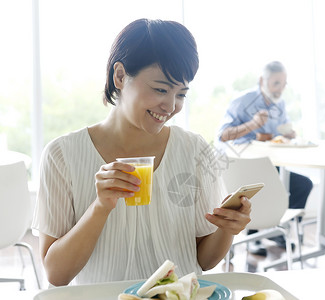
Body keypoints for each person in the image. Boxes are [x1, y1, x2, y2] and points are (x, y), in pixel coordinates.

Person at [31, 19, 251, 286]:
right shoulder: (62, 155)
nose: (170, 106)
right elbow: (56, 275)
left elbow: (203, 260)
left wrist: (226, 229)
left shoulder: (195, 150)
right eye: (160, 89)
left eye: (181, 94)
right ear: (120, 76)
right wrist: (101, 207)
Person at [217, 61, 313, 256]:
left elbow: (277, 135)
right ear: (262, 81)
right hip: (242, 167)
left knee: (303, 185)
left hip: (270, 164)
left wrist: (289, 135)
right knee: (260, 187)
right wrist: (252, 125)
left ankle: (275, 230)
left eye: (284, 84)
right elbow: (223, 135)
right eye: (276, 83)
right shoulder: (243, 101)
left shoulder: (280, 104)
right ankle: (253, 236)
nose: (280, 89)